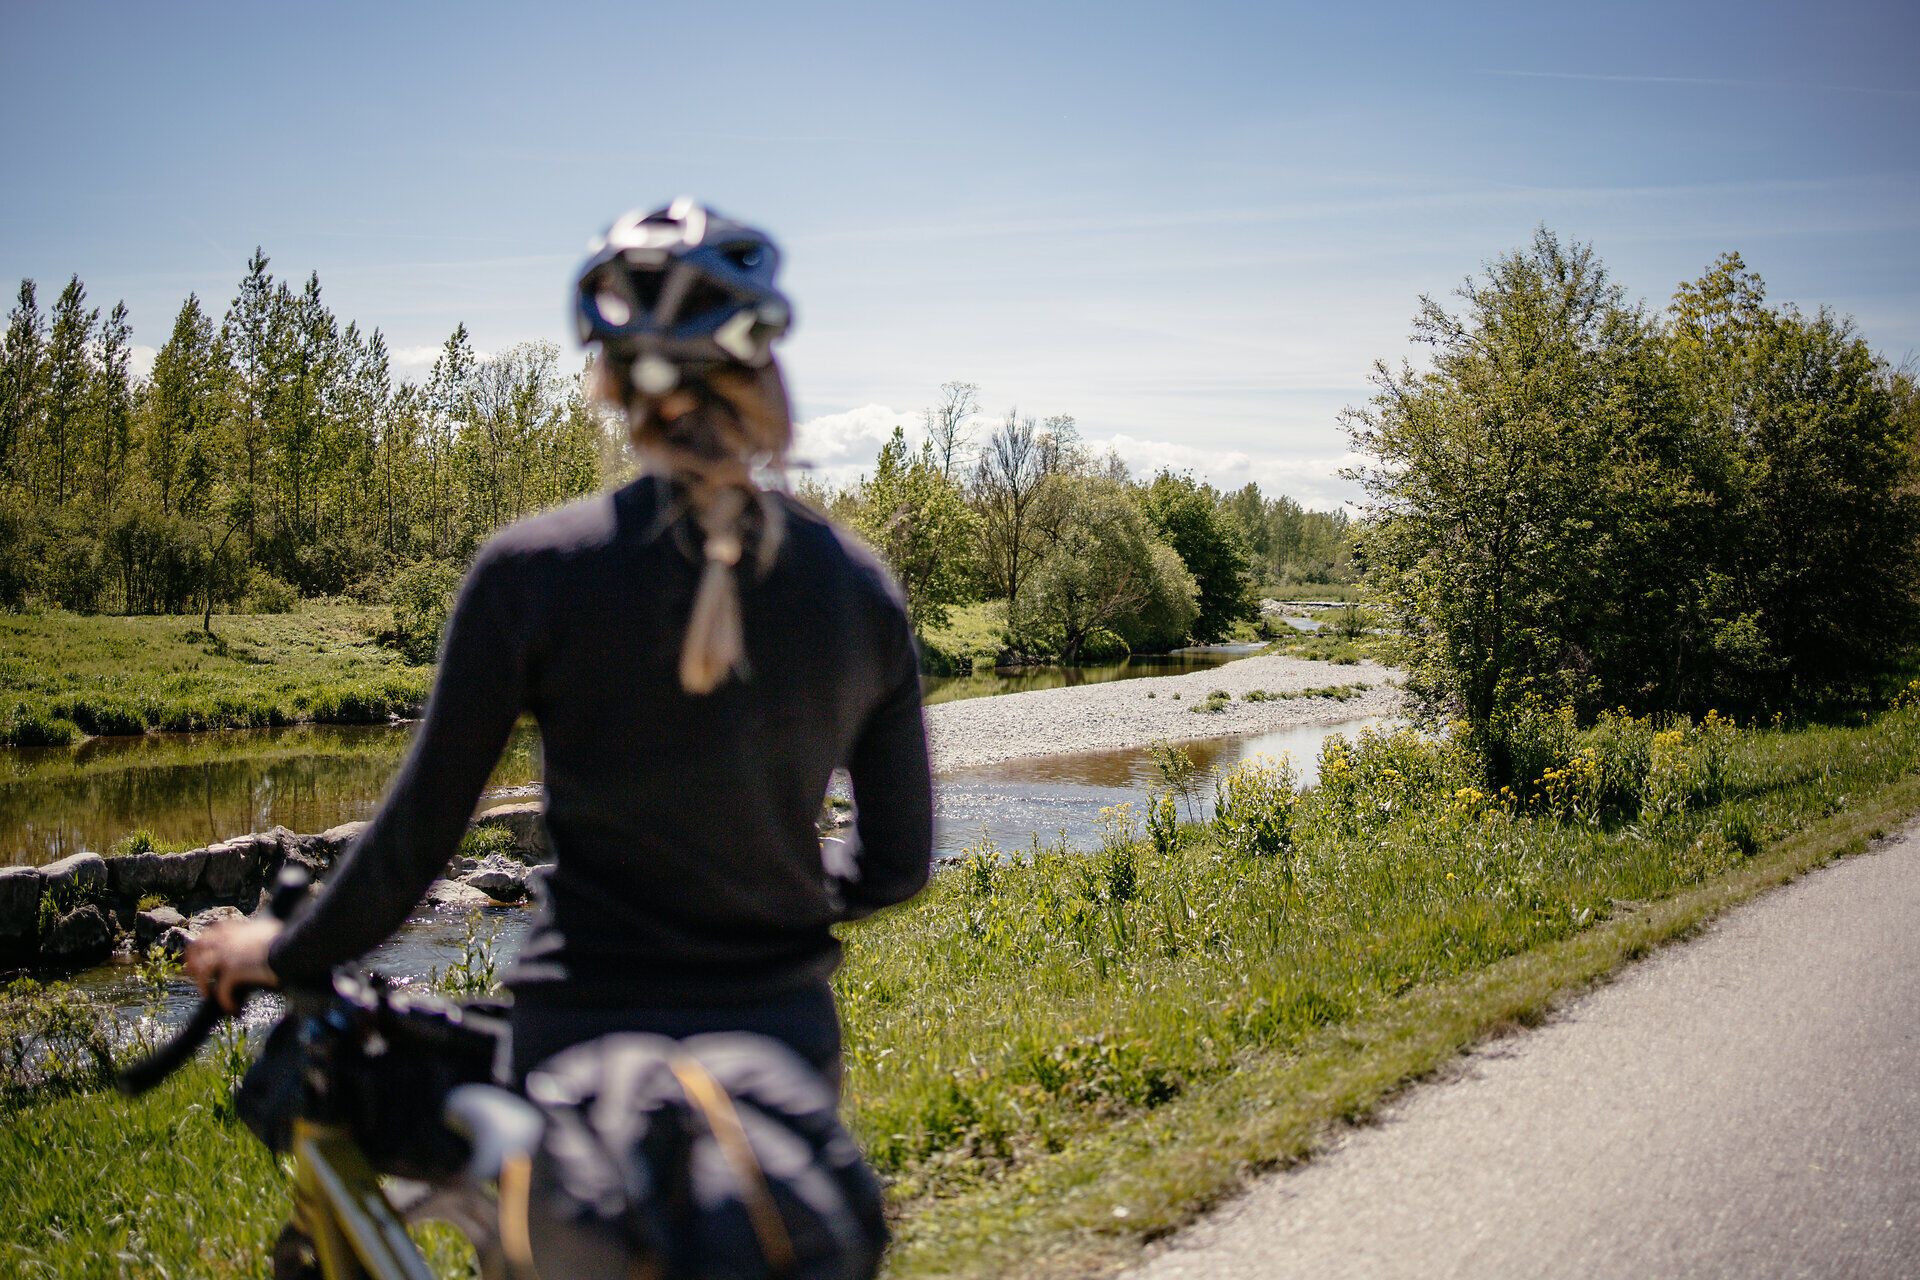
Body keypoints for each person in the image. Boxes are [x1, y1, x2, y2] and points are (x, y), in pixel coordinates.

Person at [184, 199, 935, 1090]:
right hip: (782, 1045)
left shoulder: (531, 572)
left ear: (611, 383)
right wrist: (783, 902)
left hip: (582, 1046)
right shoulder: (857, 588)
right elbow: (896, 865)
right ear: (765, 369)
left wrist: (288, 947)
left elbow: (415, 842)